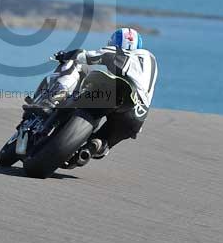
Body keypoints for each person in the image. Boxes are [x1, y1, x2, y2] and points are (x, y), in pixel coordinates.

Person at [31, 27, 158, 160]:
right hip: (137, 116)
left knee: (80, 74)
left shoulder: (121, 51)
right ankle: (92, 147)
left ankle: (55, 102)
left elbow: (94, 56)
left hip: (119, 92)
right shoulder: (150, 60)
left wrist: (68, 55)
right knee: (103, 142)